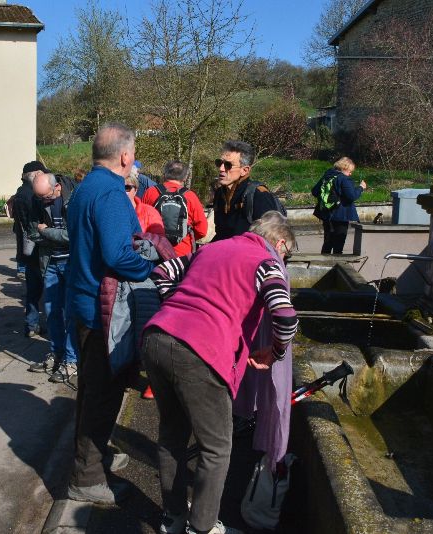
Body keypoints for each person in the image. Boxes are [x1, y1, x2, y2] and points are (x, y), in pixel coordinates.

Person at [142, 211, 298, 534]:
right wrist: (277, 352)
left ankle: (173, 519)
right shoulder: (266, 263)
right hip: (201, 351)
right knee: (217, 447)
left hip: (157, 338)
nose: (284, 262)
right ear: (280, 243)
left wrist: (180, 310)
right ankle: (202, 527)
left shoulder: (212, 248)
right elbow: (285, 317)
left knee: (172, 434)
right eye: (287, 255)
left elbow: (161, 271)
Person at [66, 122, 154, 505]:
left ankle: (92, 461)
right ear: (125, 155)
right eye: (133, 153)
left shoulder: (86, 187)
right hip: (104, 310)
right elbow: (119, 255)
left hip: (85, 303)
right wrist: (155, 268)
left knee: (91, 392)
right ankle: (85, 480)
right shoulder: (111, 194)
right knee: (101, 396)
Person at [27, 172, 79, 383]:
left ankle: (71, 360)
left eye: (46, 197)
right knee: (51, 312)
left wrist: (47, 232)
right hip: (50, 262)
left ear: (57, 187)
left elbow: (72, 236)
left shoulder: (73, 199)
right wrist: (51, 235)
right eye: (40, 198)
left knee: (71, 315)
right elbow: (32, 232)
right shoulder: (36, 200)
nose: (43, 201)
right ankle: (56, 353)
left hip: (71, 264)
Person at [211, 140, 282, 242]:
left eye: (228, 165)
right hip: (227, 254)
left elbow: (270, 239)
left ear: (244, 170)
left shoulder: (259, 195)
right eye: (219, 163)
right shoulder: (219, 194)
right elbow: (221, 234)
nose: (221, 169)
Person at [142, 160, 208, 256]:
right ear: (185, 177)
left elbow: (141, 222)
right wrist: (183, 235)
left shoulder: (150, 192)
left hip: (155, 251)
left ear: (164, 174)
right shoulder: (190, 196)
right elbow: (202, 230)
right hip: (182, 254)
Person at [14, 161, 48, 337]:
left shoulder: (20, 193)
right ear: (35, 175)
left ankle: (31, 324)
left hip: (27, 250)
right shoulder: (32, 195)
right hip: (38, 249)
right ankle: (40, 325)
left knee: (33, 293)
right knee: (47, 292)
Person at [311, 156, 366, 254]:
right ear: (344, 168)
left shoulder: (327, 176)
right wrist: (361, 188)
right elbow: (351, 196)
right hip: (341, 215)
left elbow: (315, 191)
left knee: (327, 243)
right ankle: (337, 266)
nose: (350, 173)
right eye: (350, 171)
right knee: (338, 244)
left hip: (327, 215)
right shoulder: (344, 179)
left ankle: (323, 265)